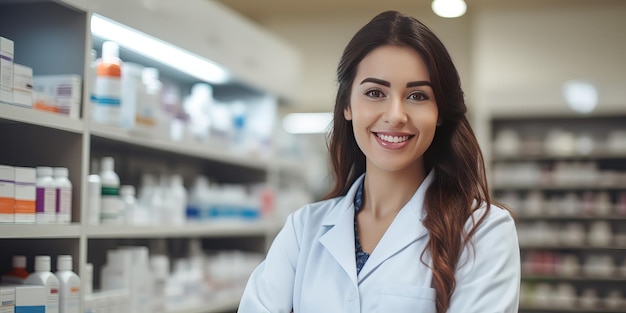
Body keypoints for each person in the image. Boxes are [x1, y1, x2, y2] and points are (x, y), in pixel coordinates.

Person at [238, 10, 520, 313]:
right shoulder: (305, 228)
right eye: (375, 92)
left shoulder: (483, 231)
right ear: (347, 104)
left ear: (440, 113)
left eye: (417, 96)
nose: (396, 115)